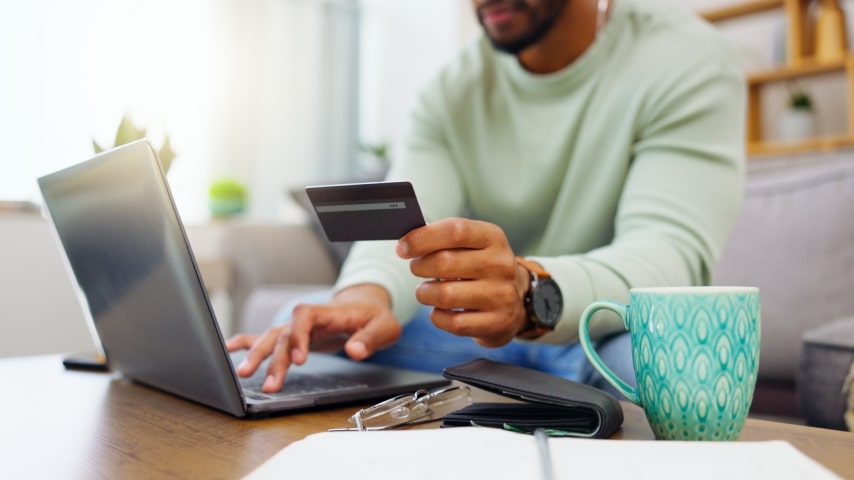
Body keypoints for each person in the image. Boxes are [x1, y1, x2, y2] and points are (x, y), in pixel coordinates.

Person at [226, 0, 746, 397]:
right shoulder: (450, 92)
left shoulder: (686, 60)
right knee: (305, 328)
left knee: (676, 365)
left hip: (602, 335)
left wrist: (529, 293)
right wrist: (364, 296)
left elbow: (670, 257)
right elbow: (403, 227)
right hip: (490, 337)